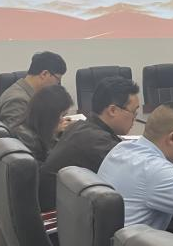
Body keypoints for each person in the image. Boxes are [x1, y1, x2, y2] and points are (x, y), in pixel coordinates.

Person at [99, 102, 173, 230]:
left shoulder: (122, 148)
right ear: (172, 138)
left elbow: (165, 178)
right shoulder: (155, 170)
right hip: (133, 242)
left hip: (108, 238)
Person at [38, 76, 140, 211]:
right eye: (134, 112)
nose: (135, 118)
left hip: (62, 208)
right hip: (57, 215)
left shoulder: (82, 127)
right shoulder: (97, 141)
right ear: (112, 110)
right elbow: (138, 172)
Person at [0, 51, 67, 128]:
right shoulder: (18, 100)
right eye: (58, 80)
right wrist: (54, 129)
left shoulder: (31, 94)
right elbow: (19, 134)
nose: (57, 84)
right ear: (44, 74)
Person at [10, 84, 73, 163]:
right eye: (62, 115)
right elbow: (49, 165)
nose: (62, 120)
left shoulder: (27, 127)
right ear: (50, 115)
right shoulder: (29, 139)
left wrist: (54, 131)